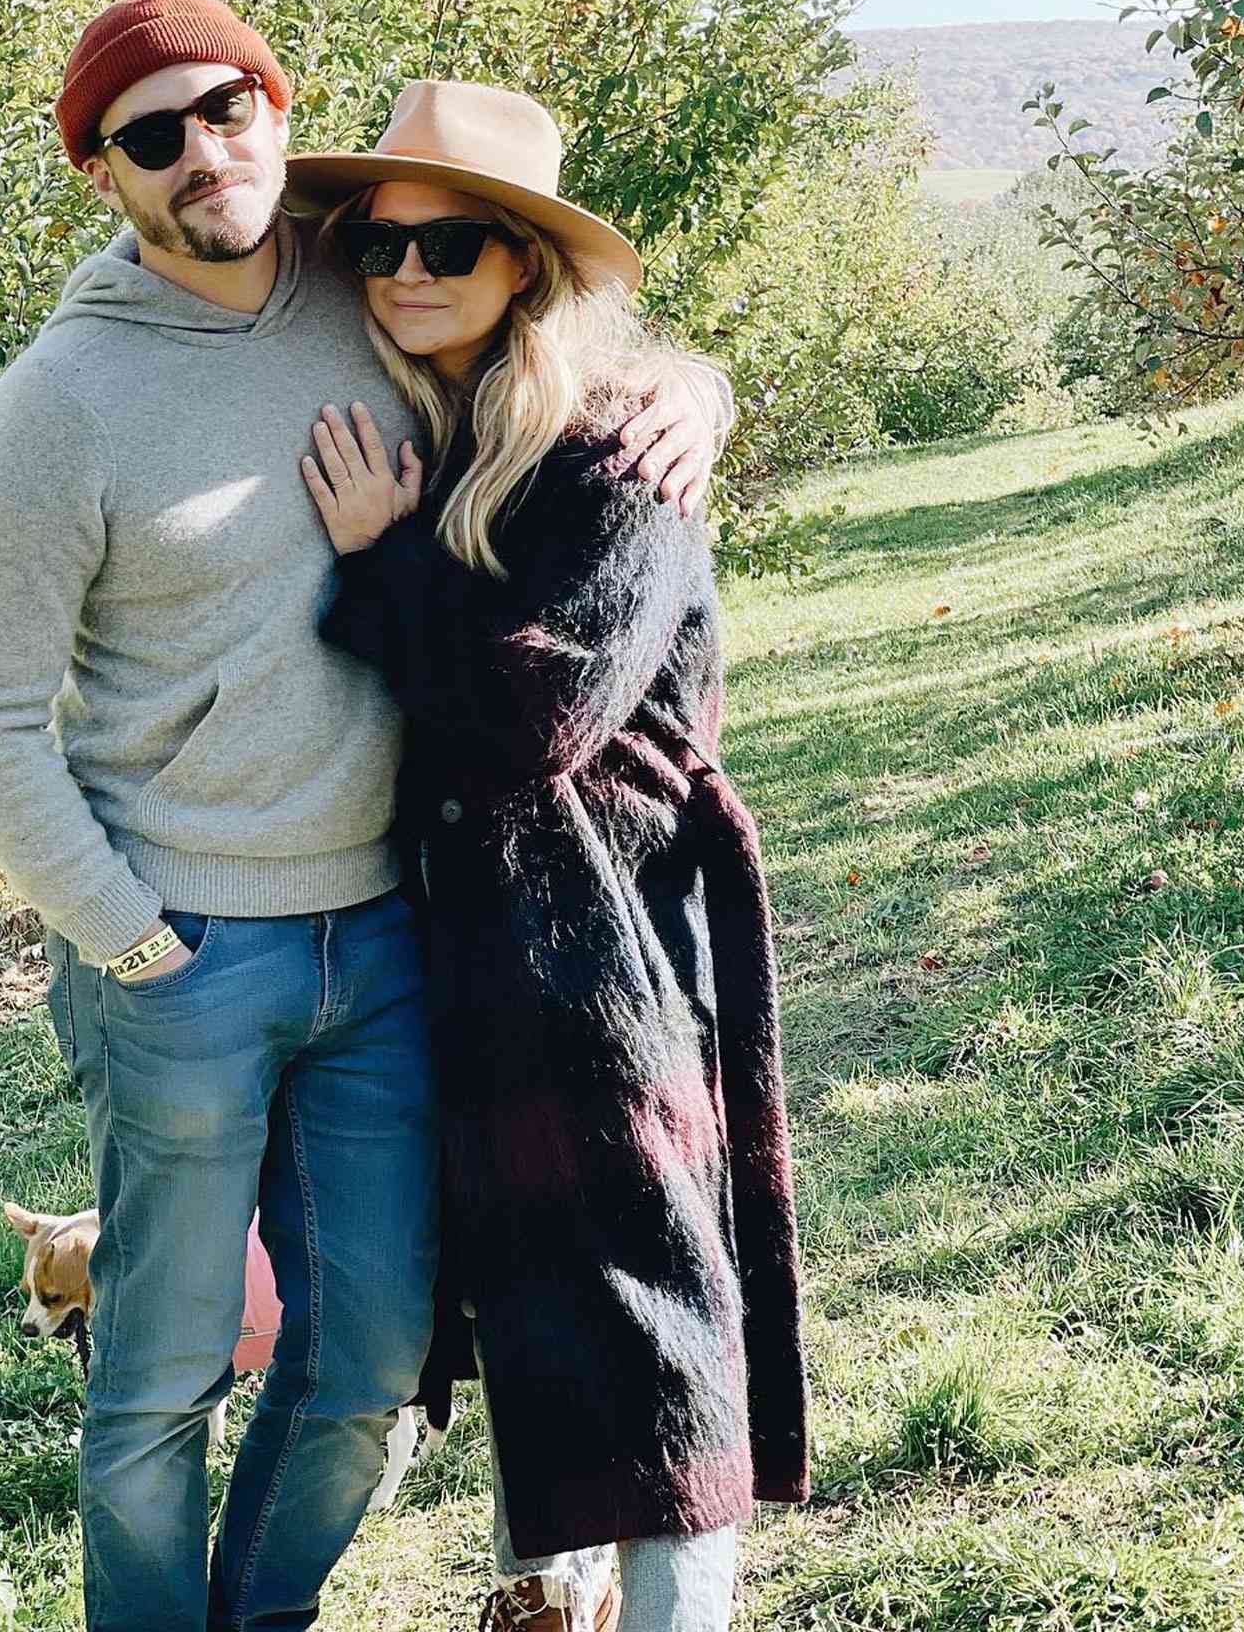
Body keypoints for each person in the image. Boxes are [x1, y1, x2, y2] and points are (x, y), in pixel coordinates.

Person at [0, 0, 728, 1632]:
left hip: (390, 936)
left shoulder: (359, 279)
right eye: (149, 137)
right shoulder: (58, 409)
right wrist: (132, 939)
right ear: (103, 175)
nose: (200, 153)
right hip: (186, 949)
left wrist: (693, 386)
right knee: (156, 1382)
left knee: (366, 1365)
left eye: (227, 110)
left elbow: (539, 322)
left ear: (279, 116)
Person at [291, 80, 809, 1632]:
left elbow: (540, 709)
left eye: (453, 242)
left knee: (649, 1294)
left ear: (526, 264)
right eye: (379, 248)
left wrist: (381, 565)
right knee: (515, 1271)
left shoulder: (612, 459)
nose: (405, 272)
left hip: (608, 942)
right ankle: (548, 1587)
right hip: (467, 940)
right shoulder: (433, 434)